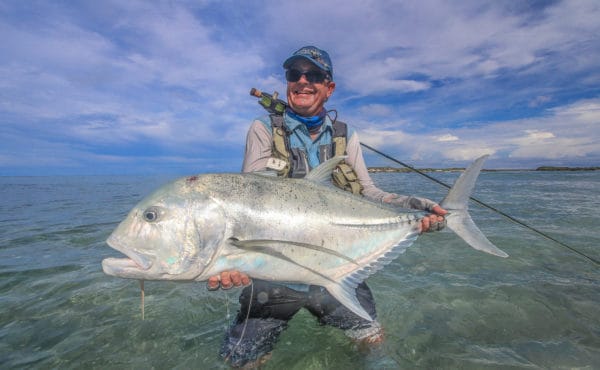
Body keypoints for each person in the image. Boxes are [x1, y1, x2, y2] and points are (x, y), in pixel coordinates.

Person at [208, 46, 447, 368]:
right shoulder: (263, 128)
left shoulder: (344, 135)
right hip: (274, 280)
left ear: (329, 87)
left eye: (315, 75)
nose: (303, 81)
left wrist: (411, 207)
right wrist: (228, 258)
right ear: (288, 82)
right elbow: (249, 199)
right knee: (240, 361)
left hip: (337, 269)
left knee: (372, 343)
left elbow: (367, 192)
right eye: (295, 74)